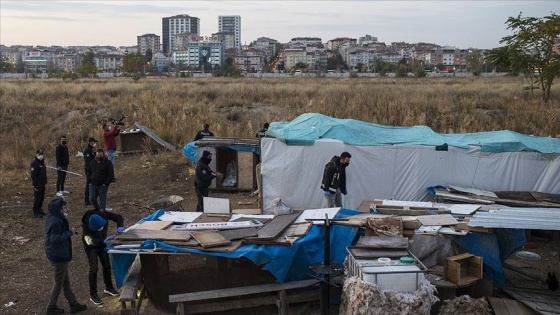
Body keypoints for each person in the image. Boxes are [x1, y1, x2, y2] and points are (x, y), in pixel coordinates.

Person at [44, 197, 87, 315]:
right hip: (58, 255)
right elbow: (55, 238)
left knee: (65, 280)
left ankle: (73, 304)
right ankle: (51, 307)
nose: (66, 209)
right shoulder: (56, 221)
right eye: (63, 208)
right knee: (59, 282)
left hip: (56, 253)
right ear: (59, 209)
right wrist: (70, 232)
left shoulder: (53, 217)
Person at [81, 208, 124, 305]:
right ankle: (93, 294)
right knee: (94, 268)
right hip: (91, 246)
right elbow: (89, 241)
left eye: (102, 227)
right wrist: (102, 241)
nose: (101, 229)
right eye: (98, 229)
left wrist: (120, 226)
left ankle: (108, 287)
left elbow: (118, 217)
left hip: (102, 242)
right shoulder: (85, 227)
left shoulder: (102, 214)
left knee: (106, 265)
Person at [31, 148, 47, 218]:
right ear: (36, 154)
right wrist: (37, 183)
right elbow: (33, 175)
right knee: (37, 198)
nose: (41, 156)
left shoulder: (42, 163)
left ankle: (40, 209)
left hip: (43, 183)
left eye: (42, 154)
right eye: (39, 154)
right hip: (37, 184)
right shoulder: (34, 163)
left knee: (42, 197)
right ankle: (36, 212)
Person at [83, 137, 98, 206]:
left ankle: (91, 198)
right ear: (90, 142)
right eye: (93, 142)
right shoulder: (87, 150)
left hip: (92, 169)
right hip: (89, 169)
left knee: (91, 183)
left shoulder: (91, 150)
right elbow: (88, 161)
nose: (94, 143)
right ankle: (87, 200)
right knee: (88, 184)